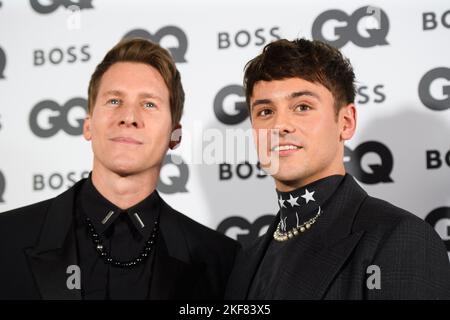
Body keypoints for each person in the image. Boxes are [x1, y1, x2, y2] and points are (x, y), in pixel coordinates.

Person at [0, 38, 239, 300]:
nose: (129, 117)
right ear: (88, 124)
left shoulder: (221, 261)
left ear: (175, 134)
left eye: (149, 104)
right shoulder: (7, 237)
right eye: (114, 101)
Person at [225, 38, 450, 299]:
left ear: (346, 122)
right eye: (265, 112)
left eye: (302, 107)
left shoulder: (399, 240)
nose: (279, 125)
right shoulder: (245, 260)